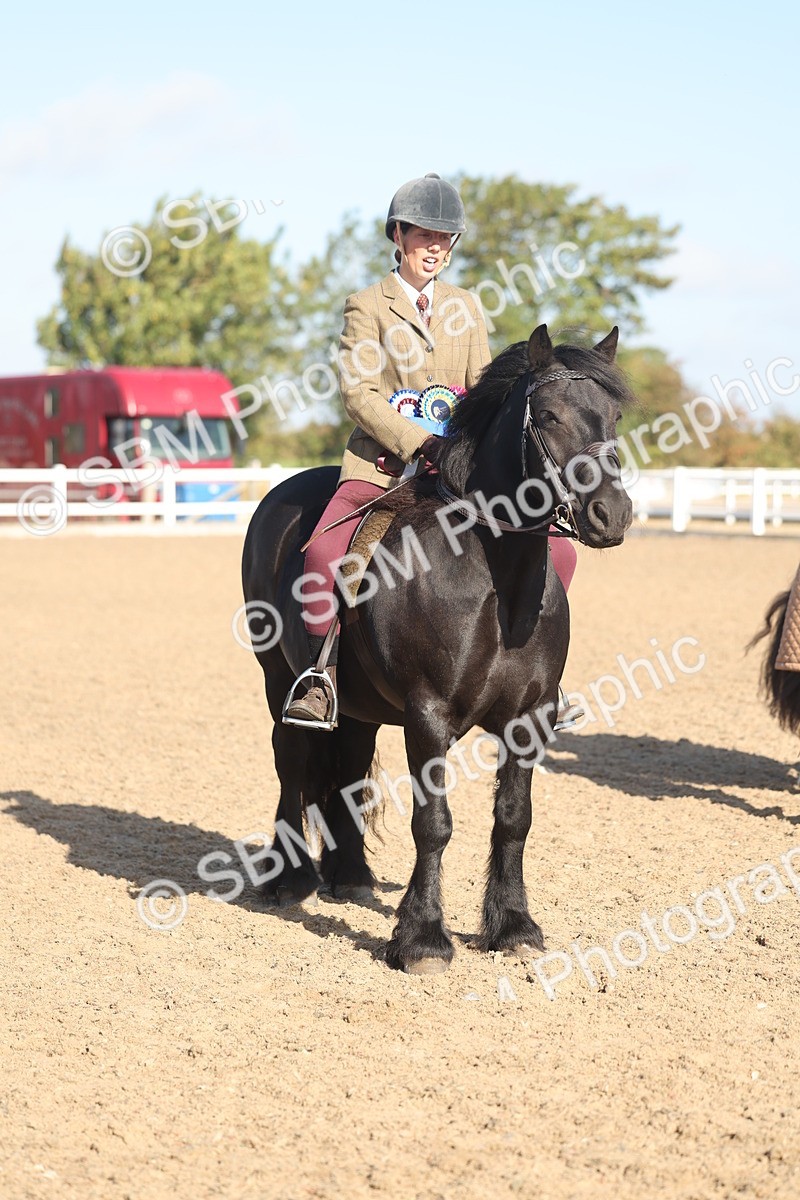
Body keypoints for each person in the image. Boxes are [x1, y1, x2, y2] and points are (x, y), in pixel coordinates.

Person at [284, 172, 580, 729]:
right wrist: (420, 441)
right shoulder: (366, 306)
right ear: (398, 235)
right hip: (383, 465)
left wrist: (470, 450)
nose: (435, 248)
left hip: (458, 471)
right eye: (424, 235)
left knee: (559, 552)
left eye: (444, 239)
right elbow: (359, 393)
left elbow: (485, 389)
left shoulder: (467, 307)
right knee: (325, 557)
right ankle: (320, 677)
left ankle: (544, 679)